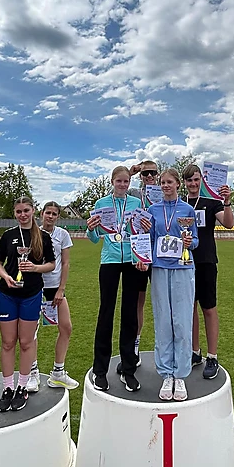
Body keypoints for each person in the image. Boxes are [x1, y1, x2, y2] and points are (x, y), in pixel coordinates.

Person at [138, 167, 198, 401]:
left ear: (177, 185)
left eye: (169, 182)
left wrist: (190, 241)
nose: (165, 186)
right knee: (163, 320)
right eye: (162, 182)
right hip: (160, 269)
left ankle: (180, 375)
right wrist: (144, 255)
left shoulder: (187, 210)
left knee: (182, 322)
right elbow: (149, 239)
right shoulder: (153, 210)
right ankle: (166, 374)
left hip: (183, 268)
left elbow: (195, 241)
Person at [0, 196, 56, 412]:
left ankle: (22, 387)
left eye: (26, 210)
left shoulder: (43, 237)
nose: (22, 215)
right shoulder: (8, 235)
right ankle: (7, 388)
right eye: (18, 211)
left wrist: (35, 268)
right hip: (7, 294)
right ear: (15, 213)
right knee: (7, 342)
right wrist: (5, 276)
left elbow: (51, 264)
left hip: (31, 294)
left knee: (26, 342)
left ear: (33, 211)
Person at [87, 166, 143, 392]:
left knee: (130, 315)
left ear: (129, 183)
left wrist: (141, 252)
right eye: (119, 181)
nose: (122, 185)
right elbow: (94, 238)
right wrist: (91, 229)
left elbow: (141, 233)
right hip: (109, 261)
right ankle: (100, 371)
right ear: (112, 181)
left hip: (131, 262)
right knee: (106, 314)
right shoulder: (101, 204)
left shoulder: (136, 203)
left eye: (126, 181)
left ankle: (128, 370)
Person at [183, 163, 234, 380]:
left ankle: (212, 356)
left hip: (205, 261)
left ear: (202, 180)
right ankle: (195, 352)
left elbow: (229, 224)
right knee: (190, 309)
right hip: (184, 262)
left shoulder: (212, 202)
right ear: (184, 182)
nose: (193, 184)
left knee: (209, 308)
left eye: (196, 179)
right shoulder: (180, 203)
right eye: (189, 180)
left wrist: (227, 201)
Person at [38, 201, 79, 390]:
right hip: (35, 287)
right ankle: (31, 372)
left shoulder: (62, 234)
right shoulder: (33, 233)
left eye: (54, 214)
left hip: (55, 287)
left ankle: (58, 372)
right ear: (42, 213)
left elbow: (66, 263)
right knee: (30, 332)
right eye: (48, 213)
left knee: (66, 327)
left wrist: (61, 289)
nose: (51, 216)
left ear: (58, 217)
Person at [128, 158, 161, 365]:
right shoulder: (133, 194)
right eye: (145, 173)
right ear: (140, 176)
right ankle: (135, 344)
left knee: (162, 302)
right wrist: (129, 173)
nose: (149, 176)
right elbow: (114, 193)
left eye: (153, 173)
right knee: (137, 302)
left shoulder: (164, 193)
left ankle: (164, 346)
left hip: (160, 255)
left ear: (158, 174)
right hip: (139, 253)